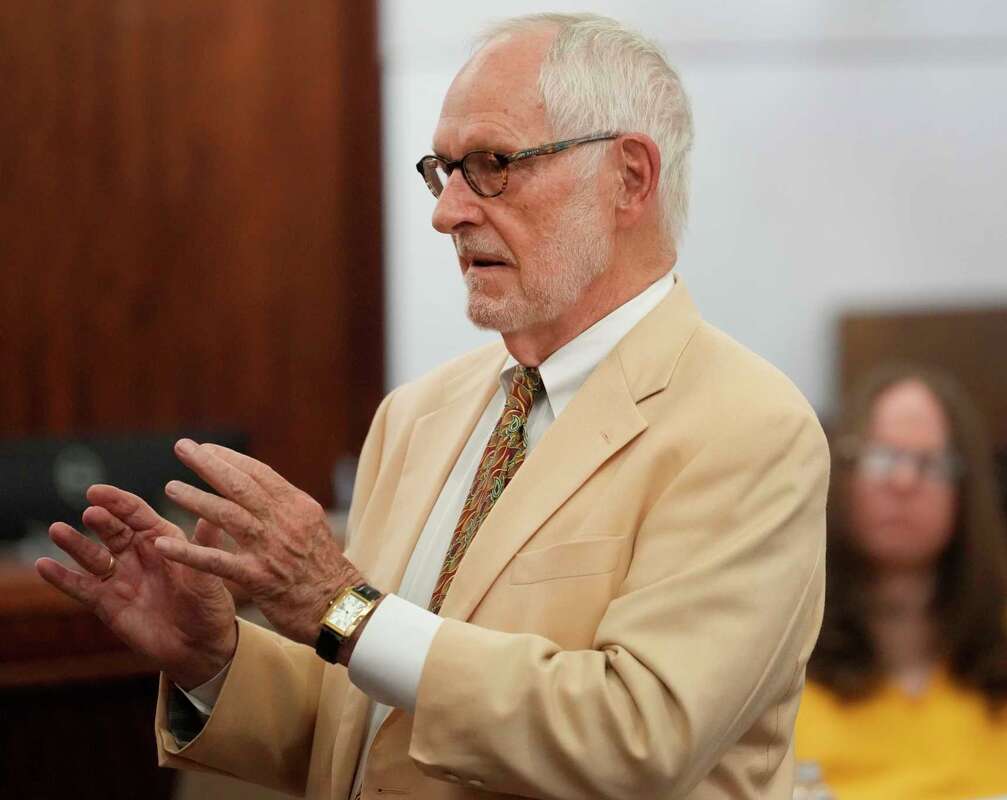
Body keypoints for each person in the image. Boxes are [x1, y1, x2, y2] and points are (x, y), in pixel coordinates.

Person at [36, 13, 830, 799]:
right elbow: (369, 731)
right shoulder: (418, 414)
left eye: (492, 163)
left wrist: (338, 607)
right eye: (441, 170)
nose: (448, 212)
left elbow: (638, 736)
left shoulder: (747, 427)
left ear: (629, 176)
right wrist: (214, 659)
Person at [793, 364, 1007, 799]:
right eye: (879, 458)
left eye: (930, 463)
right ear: (839, 473)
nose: (902, 481)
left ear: (968, 491)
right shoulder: (781, 660)